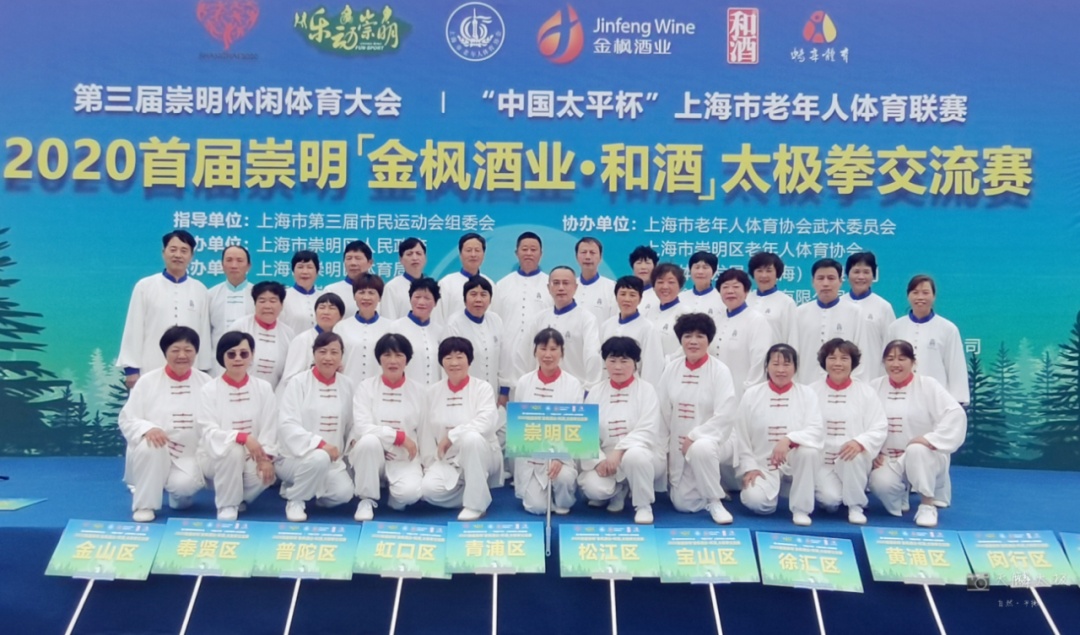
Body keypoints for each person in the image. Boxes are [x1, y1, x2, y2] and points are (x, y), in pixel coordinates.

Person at [869, 340, 967, 528]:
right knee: (880, 484)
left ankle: (927, 505)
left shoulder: (928, 385)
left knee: (916, 450)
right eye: (890, 359)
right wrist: (873, 451)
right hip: (889, 458)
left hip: (926, 456)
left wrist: (930, 440)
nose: (895, 364)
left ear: (913, 362)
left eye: (902, 359)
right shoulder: (874, 387)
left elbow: (955, 413)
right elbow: (864, 422)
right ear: (883, 363)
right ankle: (901, 494)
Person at [118, 326, 212, 522]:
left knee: (183, 486)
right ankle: (144, 505)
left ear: (196, 352)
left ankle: (179, 496)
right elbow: (127, 418)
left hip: (188, 454)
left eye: (188, 350)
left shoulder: (206, 382)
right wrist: (148, 429)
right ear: (165, 352)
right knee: (150, 445)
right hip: (155, 449)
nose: (182, 356)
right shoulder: (147, 381)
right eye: (175, 350)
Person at [658, 314, 738, 524]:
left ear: (708, 340)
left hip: (716, 440)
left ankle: (715, 500)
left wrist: (695, 436)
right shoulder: (671, 369)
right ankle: (711, 484)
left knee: (701, 448)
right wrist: (663, 449)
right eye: (687, 336)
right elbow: (663, 413)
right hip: (680, 445)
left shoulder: (720, 371)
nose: (693, 341)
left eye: (700, 336)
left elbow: (725, 415)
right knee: (683, 505)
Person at [736, 344, 824, 526]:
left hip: (795, 465)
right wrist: (749, 467)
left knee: (809, 452)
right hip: (763, 466)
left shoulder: (807, 394)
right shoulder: (752, 395)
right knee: (755, 501)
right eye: (775, 364)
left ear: (795, 368)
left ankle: (801, 509)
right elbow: (741, 435)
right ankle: (776, 495)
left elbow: (816, 430)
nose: (781, 370)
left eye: (787, 364)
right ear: (767, 366)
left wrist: (789, 439)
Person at [579, 337, 664, 525]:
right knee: (594, 489)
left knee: (635, 457)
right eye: (612, 360)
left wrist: (619, 451)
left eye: (624, 361)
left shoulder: (647, 390)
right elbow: (586, 433)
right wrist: (599, 460)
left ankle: (643, 506)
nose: (618, 367)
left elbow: (647, 430)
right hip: (607, 458)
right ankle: (619, 489)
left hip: (643, 454)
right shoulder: (595, 392)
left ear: (635, 363)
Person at [197, 331, 278, 521]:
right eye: (231, 354)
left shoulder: (264, 388)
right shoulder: (209, 390)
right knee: (233, 450)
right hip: (215, 456)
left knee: (266, 475)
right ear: (222, 357)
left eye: (244, 353)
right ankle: (227, 505)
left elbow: (270, 426)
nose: (238, 359)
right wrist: (241, 437)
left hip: (253, 457)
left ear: (252, 355)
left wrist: (265, 458)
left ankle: (236, 495)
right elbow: (208, 431)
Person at [420, 337, 502, 521]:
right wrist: (429, 464)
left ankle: (476, 505)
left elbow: (486, 422)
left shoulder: (482, 388)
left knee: (471, 438)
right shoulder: (432, 392)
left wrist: (452, 436)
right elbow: (426, 432)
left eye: (459, 357)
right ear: (441, 361)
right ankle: (477, 489)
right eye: (448, 358)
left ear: (469, 360)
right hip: (448, 459)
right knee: (427, 491)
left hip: (483, 454)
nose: (454, 363)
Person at [275, 332, 355, 522]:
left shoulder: (347, 385)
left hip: (332, 461)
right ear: (313, 354)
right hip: (294, 458)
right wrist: (320, 444)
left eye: (334, 352)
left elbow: (352, 424)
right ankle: (296, 500)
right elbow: (287, 424)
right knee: (319, 457)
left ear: (341, 356)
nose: (328, 357)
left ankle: (300, 486)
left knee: (343, 494)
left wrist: (354, 442)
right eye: (322, 351)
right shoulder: (298, 383)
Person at [117, 230, 212, 388]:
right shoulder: (145, 286)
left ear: (191, 256)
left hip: (190, 370)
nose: (178, 255)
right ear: (163, 252)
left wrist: (203, 370)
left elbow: (203, 333)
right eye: (173, 249)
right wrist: (131, 369)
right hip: (150, 367)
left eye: (184, 251)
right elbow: (134, 328)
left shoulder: (200, 289)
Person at [349, 333, 426, 521]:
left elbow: (425, 431)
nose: (393, 361)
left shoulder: (419, 391)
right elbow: (362, 427)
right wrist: (398, 437)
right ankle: (366, 500)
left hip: (403, 457)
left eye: (399, 355)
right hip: (371, 455)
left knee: (410, 494)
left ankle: (394, 496)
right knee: (368, 441)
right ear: (379, 359)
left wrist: (426, 462)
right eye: (387, 355)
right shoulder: (366, 387)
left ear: (407, 359)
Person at [809, 339, 887, 525]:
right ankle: (837, 493)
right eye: (832, 358)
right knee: (830, 501)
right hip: (822, 463)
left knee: (853, 453)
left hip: (853, 461)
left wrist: (860, 442)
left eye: (844, 358)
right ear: (824, 361)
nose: (838, 363)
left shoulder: (866, 392)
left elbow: (879, 426)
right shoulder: (811, 391)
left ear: (853, 363)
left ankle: (856, 506)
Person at [512, 329, 583, 515]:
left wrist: (560, 456)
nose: (548, 355)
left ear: (562, 352)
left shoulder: (573, 384)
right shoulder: (524, 382)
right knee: (537, 507)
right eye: (543, 349)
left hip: (561, 454)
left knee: (563, 479)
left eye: (553, 349)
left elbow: (577, 426)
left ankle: (562, 497)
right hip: (531, 457)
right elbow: (518, 424)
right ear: (535, 351)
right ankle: (542, 493)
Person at [886, 275, 969, 405]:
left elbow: (955, 367)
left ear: (933, 296)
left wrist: (958, 401)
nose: (920, 297)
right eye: (915, 292)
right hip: (900, 397)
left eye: (925, 293)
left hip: (936, 399)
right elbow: (887, 363)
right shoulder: (895, 327)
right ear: (908, 296)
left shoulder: (948, 329)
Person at [516, 266, 602, 388]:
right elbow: (526, 356)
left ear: (575, 287)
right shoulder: (539, 319)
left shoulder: (587, 319)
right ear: (548, 288)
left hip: (574, 390)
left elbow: (592, 356)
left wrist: (589, 389)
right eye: (556, 283)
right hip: (541, 389)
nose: (561, 288)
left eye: (566, 283)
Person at [789, 258, 869, 385]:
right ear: (813, 282)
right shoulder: (800, 312)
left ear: (840, 281)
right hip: (807, 384)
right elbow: (793, 352)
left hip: (844, 387)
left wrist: (854, 386)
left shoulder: (855, 312)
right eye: (820, 278)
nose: (825, 283)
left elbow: (862, 353)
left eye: (831, 278)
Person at [446, 275, 511, 403]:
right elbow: (450, 363)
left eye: (483, 294)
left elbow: (504, 358)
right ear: (464, 299)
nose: (478, 299)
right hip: (464, 395)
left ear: (490, 300)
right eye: (473, 294)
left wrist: (504, 391)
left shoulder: (496, 320)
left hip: (492, 394)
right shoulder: (454, 324)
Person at [710, 269, 772, 398]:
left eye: (736, 287)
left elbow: (759, 361)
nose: (730, 291)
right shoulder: (716, 320)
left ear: (746, 291)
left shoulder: (756, 320)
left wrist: (749, 391)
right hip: (715, 391)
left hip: (743, 393)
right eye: (725, 287)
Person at [494, 232, 552, 365]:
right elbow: (495, 321)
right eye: (524, 249)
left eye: (533, 249)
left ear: (541, 254)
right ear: (516, 253)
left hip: (542, 354)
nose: (529, 253)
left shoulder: (551, 284)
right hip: (507, 354)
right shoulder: (502, 285)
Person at [226, 281, 295, 391]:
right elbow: (226, 361)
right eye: (262, 301)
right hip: (239, 391)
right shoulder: (240, 327)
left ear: (282, 305)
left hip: (276, 395)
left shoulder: (288, 334)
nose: (267, 306)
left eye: (273, 301)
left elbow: (289, 372)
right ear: (255, 304)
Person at [599, 276, 665, 386]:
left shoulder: (648, 328)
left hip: (635, 389)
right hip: (608, 387)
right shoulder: (606, 325)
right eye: (623, 294)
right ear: (616, 297)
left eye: (632, 295)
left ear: (640, 299)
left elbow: (652, 368)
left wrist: (647, 391)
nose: (627, 299)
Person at [841, 252, 895, 379]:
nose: (861, 277)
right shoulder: (839, 304)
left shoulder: (883, 307)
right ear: (847, 274)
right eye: (856, 271)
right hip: (841, 377)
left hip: (873, 376)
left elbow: (891, 345)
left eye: (866, 272)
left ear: (874, 275)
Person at [281, 292, 345, 385]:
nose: (326, 312)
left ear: (341, 316)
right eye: (322, 307)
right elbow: (289, 378)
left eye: (332, 308)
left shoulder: (343, 341)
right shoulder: (302, 340)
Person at [391, 277, 445, 385]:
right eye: (417, 297)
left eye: (427, 298)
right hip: (405, 391)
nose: (421, 302)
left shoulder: (440, 331)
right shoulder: (395, 328)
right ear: (410, 299)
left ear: (435, 303)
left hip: (434, 391)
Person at [206, 245, 254, 361]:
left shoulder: (257, 295)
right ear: (222, 265)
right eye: (229, 260)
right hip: (217, 362)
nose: (234, 265)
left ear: (248, 266)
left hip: (249, 361)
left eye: (239, 260)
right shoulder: (210, 295)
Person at [437, 233, 494, 325]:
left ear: (483, 254)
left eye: (477, 250)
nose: (473, 254)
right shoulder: (446, 283)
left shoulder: (490, 284)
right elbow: (438, 319)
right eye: (468, 250)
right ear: (460, 254)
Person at [745, 252, 796, 346]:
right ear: (753, 273)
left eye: (769, 271)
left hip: (774, 354)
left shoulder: (786, 302)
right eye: (759, 271)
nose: (764, 275)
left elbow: (792, 338)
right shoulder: (746, 299)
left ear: (777, 273)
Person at [644, 262, 688, 359]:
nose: (665, 287)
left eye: (671, 282)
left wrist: (666, 362)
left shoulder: (686, 314)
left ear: (680, 287)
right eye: (660, 282)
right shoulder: (649, 313)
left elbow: (687, 347)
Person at [322, 241, 374, 322]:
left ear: (370, 263)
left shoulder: (380, 290)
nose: (353, 263)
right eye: (349, 258)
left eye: (358, 258)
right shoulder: (331, 290)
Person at [380, 237, 427, 321]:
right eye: (409, 254)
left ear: (425, 258)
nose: (415, 258)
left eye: (418, 253)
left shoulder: (432, 286)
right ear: (401, 259)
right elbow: (388, 321)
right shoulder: (392, 287)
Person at [573, 237, 616, 324]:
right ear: (576, 256)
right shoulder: (569, 287)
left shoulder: (612, 288)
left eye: (592, 253)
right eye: (583, 252)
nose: (588, 257)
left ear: (600, 257)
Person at [281, 250, 322, 336]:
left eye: (309, 267)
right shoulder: (283, 297)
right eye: (300, 267)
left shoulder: (323, 297)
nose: (305, 272)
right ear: (293, 271)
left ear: (317, 272)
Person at [678, 251, 724, 321]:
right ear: (690, 270)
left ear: (714, 272)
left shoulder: (722, 299)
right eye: (697, 267)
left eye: (705, 268)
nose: (700, 272)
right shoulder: (680, 298)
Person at [629, 245, 660, 316]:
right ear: (632, 267)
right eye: (639, 263)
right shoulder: (624, 293)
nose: (643, 267)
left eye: (647, 263)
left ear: (655, 266)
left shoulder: (660, 294)